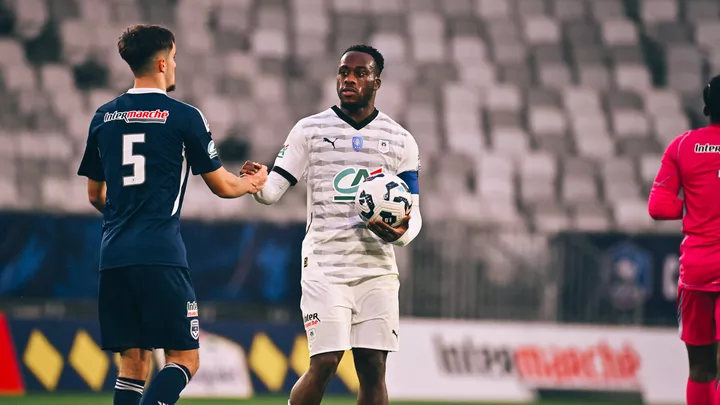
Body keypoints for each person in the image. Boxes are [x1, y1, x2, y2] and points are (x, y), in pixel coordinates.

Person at [76, 24, 267, 405]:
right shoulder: (184, 117)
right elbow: (223, 186)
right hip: (160, 255)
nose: (176, 65)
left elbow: (96, 194)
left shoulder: (103, 116)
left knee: (132, 367)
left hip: (113, 256)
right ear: (162, 62)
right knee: (184, 359)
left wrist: (123, 212)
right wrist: (254, 182)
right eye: (175, 58)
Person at [242, 44, 422, 405]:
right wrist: (257, 184)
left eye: (360, 73)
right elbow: (273, 191)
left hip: (377, 271)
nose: (349, 79)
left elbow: (413, 216)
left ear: (377, 82)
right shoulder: (309, 130)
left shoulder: (401, 140)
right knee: (324, 362)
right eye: (344, 72)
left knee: (372, 368)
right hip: (325, 266)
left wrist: (400, 234)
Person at [648, 75, 720, 405]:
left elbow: (659, 207)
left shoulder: (682, 145)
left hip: (697, 272)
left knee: (701, 369)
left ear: (708, 106)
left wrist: (696, 206)